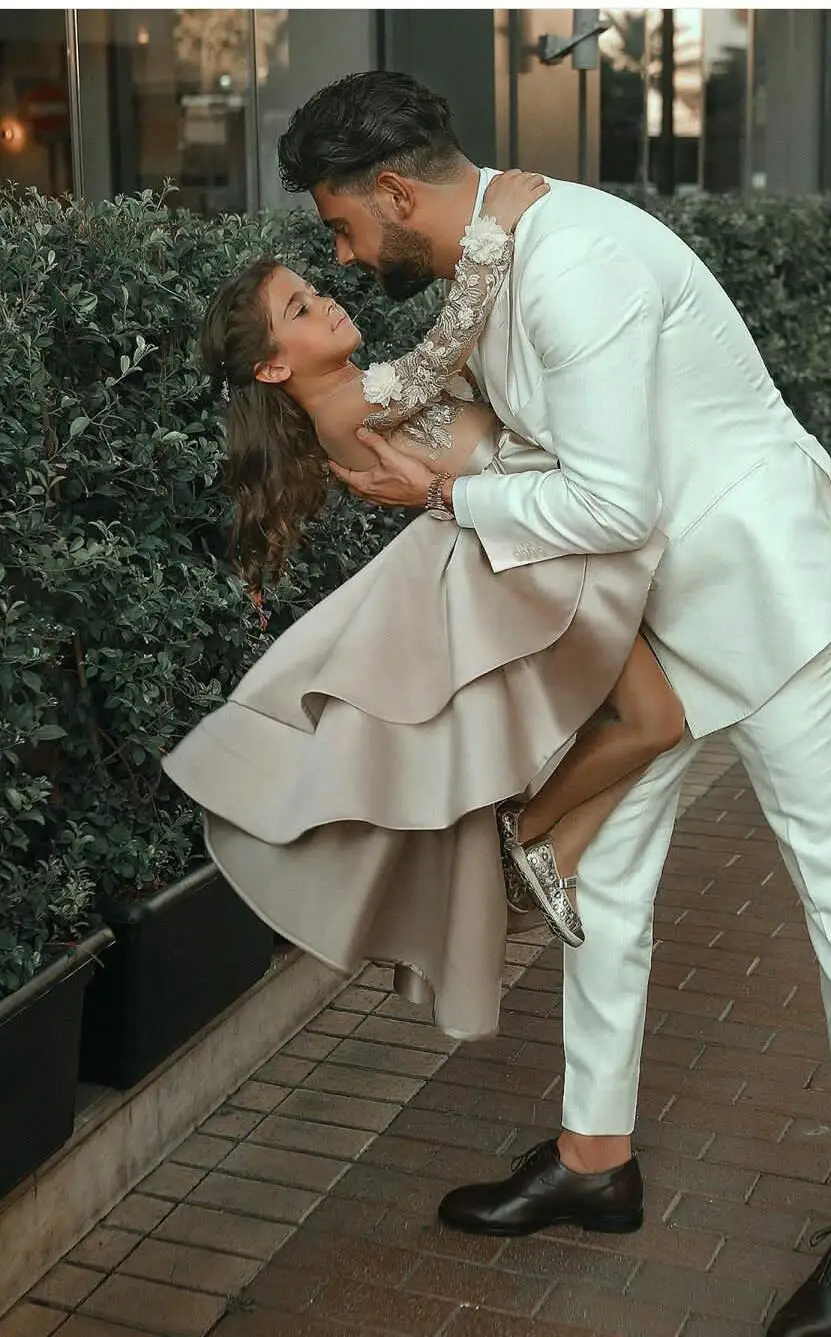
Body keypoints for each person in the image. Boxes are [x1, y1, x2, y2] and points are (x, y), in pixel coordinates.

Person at [274, 70, 831, 1337]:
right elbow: (448, 397)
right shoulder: (490, 251)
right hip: (650, 616)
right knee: (609, 877)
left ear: (397, 191)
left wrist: (448, 499)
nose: (341, 251)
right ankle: (594, 1156)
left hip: (762, 593)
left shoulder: (572, 267)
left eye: (344, 225)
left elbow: (615, 502)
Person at [163, 168, 688, 1045]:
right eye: (299, 309)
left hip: (528, 544)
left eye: (312, 290)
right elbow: (442, 352)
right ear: (273, 366)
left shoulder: (357, 392)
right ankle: (536, 838)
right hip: (521, 560)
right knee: (656, 719)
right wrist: (494, 233)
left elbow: (451, 372)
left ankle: (539, 843)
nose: (325, 299)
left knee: (656, 719)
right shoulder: (347, 410)